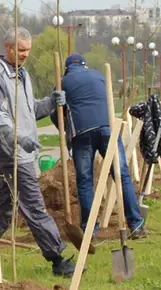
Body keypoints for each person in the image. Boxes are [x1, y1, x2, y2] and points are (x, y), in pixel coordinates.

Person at [0, 28, 77, 278]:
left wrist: (51, 102)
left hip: (24, 152)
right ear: (7, 48)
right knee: (34, 206)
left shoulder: (23, 74)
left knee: (3, 209)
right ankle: (57, 258)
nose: (25, 54)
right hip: (13, 153)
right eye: (20, 50)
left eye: (28, 50)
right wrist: (19, 139)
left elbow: (30, 110)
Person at [61, 54, 146, 237]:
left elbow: (58, 114)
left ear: (67, 69)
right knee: (121, 174)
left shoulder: (63, 82)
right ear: (85, 65)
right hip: (108, 129)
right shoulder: (99, 76)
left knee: (85, 180)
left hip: (82, 133)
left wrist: (65, 131)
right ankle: (136, 224)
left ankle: (90, 228)